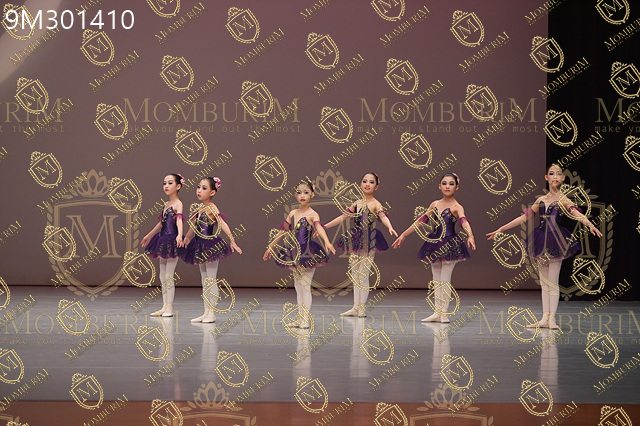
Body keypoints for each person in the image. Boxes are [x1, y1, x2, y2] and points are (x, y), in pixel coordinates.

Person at [487, 164, 601, 329]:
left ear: (563, 178)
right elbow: (523, 218)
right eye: (552, 174)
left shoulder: (564, 199)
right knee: (544, 282)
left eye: (558, 174)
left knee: (553, 281)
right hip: (541, 240)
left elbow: (576, 213)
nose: (555, 177)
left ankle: (552, 318)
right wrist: (501, 229)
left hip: (557, 240)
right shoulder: (540, 200)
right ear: (546, 178)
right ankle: (544, 318)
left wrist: (590, 224)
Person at [393, 173, 476, 323]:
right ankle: (437, 312)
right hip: (435, 243)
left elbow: (464, 221)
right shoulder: (435, 204)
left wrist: (470, 235)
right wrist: (404, 234)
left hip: (450, 244)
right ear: (439, 186)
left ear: (457, 187)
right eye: (444, 183)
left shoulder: (457, 207)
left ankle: (444, 313)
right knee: (436, 279)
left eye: (451, 184)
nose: (447, 186)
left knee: (445, 279)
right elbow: (421, 221)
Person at [263, 179, 336, 329]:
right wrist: (271, 246)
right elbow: (283, 231)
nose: (302, 195)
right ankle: (300, 318)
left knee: (305, 286)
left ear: (312, 195)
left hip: (308, 252)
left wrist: (327, 241)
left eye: (306, 192)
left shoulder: (312, 214)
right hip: (294, 252)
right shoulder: (292, 213)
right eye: (299, 192)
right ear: (295, 195)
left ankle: (305, 320)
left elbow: (319, 227)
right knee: (298, 286)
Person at [324, 172, 397, 317]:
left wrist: (390, 227)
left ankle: (362, 308)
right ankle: (355, 307)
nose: (367, 184)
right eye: (365, 181)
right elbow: (343, 217)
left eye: (371, 182)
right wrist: (324, 226)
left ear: (376, 186)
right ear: (360, 184)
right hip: (356, 238)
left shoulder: (376, 204)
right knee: (355, 274)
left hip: (369, 239)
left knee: (363, 274)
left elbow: (383, 216)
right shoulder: (356, 203)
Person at [181, 177, 242, 323]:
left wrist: (232, 240)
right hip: (199, 244)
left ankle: (212, 313)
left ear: (212, 192)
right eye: (198, 187)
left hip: (210, 245)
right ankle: (206, 312)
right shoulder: (199, 207)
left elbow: (222, 223)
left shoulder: (213, 208)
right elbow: (193, 225)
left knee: (211, 279)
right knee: (204, 280)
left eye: (204, 188)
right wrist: (187, 237)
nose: (199, 190)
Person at [141, 173, 185, 317]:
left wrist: (179, 235)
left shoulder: (178, 204)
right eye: (164, 183)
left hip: (172, 240)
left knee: (168, 275)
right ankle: (164, 306)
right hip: (162, 239)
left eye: (170, 183)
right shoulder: (166, 204)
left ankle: (170, 308)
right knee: (162, 275)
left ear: (178, 186)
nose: (166, 186)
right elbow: (162, 223)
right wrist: (149, 235)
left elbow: (179, 220)